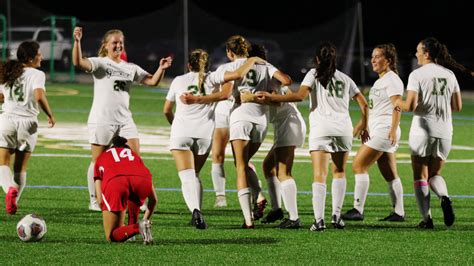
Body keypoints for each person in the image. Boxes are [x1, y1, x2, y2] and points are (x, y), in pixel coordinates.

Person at [257, 41, 369, 231]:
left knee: (320, 174)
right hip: (343, 129)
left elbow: (299, 96)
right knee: (339, 172)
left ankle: (319, 221)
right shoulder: (345, 78)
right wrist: (364, 124)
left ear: (317, 59)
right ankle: (336, 216)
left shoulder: (313, 74)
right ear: (335, 59)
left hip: (322, 129)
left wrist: (272, 98)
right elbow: (364, 104)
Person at [72, 27, 172, 211]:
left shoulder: (130, 67)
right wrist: (77, 41)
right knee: (98, 162)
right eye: (114, 42)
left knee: (135, 159)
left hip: (125, 120)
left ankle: (137, 199)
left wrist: (161, 68)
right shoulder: (100, 63)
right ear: (106, 45)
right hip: (102, 120)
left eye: (120, 43)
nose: (118, 45)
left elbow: (152, 81)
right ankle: (95, 199)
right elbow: (78, 62)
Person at [163, 49, 265, 229]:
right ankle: (197, 212)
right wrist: (252, 60)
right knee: (194, 174)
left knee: (187, 176)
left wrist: (175, 124)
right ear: (208, 65)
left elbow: (166, 110)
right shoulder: (213, 78)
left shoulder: (179, 80)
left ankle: (196, 211)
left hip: (181, 132)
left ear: (188, 65)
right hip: (204, 134)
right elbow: (229, 88)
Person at [402, 37, 468, 229]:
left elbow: (411, 105)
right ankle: (445, 197)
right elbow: (457, 106)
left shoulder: (417, 74)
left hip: (422, 129)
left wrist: (397, 103)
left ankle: (426, 219)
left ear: (427, 54)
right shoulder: (449, 74)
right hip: (445, 130)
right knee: (435, 174)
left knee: (420, 176)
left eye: (418, 51)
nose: (416, 54)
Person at [342, 44, 406, 222]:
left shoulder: (392, 79)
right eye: (372, 56)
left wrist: (392, 130)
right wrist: (365, 125)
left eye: (378, 56)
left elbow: (397, 105)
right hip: (379, 129)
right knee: (389, 173)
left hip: (385, 130)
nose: (373, 60)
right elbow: (376, 108)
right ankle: (399, 212)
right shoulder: (381, 80)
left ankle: (357, 209)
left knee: (358, 166)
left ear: (389, 60)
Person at [247, 44, 306, 229]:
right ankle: (277, 209)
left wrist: (264, 96)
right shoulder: (260, 75)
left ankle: (294, 218)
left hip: (289, 124)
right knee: (268, 166)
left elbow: (285, 82)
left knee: (284, 173)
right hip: (286, 124)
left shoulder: (267, 73)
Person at [0, 41, 55, 215]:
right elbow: (39, 96)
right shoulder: (37, 74)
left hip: (7, 121)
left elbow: (1, 96)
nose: (42, 56)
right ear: (31, 58)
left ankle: (9, 190)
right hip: (28, 124)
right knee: (20, 168)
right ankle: (13, 200)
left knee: (2, 163)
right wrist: (50, 114)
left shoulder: (8, 71)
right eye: (39, 53)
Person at [94, 135, 157, 244]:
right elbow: (154, 200)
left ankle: (137, 228)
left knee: (111, 236)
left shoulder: (102, 157)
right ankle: (135, 230)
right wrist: (145, 220)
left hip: (116, 181)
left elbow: (99, 200)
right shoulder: (135, 156)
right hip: (142, 180)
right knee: (134, 196)